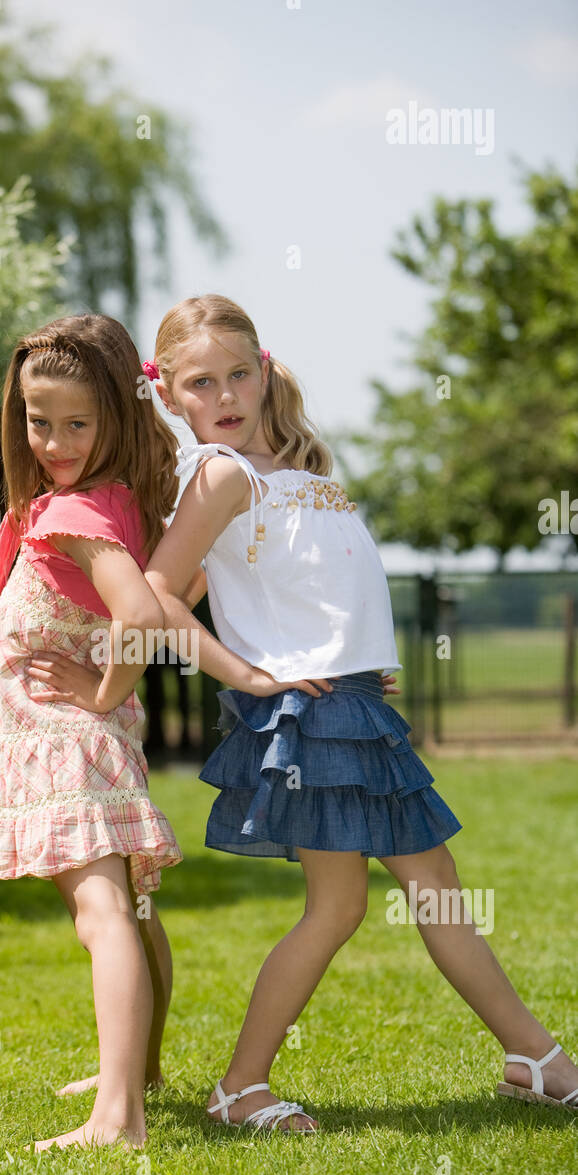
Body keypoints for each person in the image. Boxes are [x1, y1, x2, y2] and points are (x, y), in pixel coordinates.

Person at [30, 293, 578, 1132]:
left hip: (352, 709)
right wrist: (242, 674)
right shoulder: (219, 474)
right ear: (170, 396)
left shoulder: (300, 472)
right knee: (348, 906)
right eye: (202, 383)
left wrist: (356, 664)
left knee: (425, 895)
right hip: (307, 718)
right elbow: (161, 594)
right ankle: (244, 1086)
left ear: (263, 369)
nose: (225, 395)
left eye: (239, 374)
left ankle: (531, 1059)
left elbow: (275, 587)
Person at [0, 314, 188, 1152]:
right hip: (85, 734)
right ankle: (135, 1075)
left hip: (64, 737)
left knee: (103, 914)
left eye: (77, 423)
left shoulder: (72, 514)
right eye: (38, 422)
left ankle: (118, 1119)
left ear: (115, 412)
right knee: (133, 909)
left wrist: (102, 685)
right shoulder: (111, 496)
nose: (53, 440)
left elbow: (142, 614)